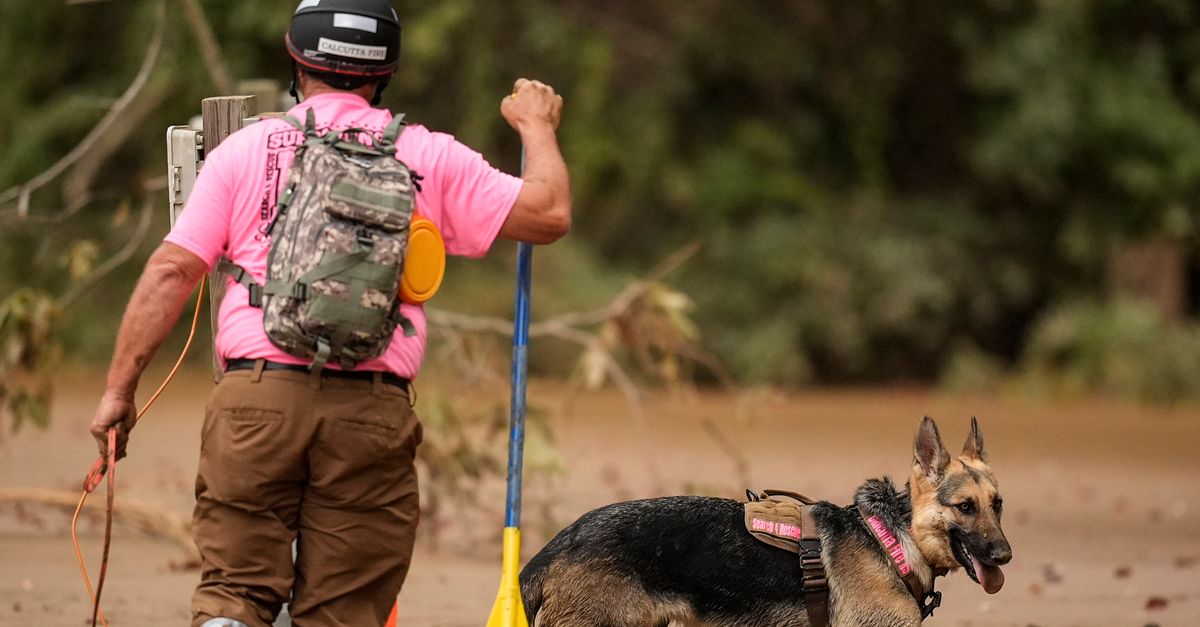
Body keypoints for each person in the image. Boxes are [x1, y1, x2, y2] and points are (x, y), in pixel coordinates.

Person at [87, 0, 570, 625]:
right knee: (343, 611)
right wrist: (536, 126)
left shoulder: (245, 148)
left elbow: (171, 271)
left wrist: (119, 391)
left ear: (296, 61)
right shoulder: (429, 155)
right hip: (370, 414)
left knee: (234, 593)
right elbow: (549, 214)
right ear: (383, 72)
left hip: (255, 407)